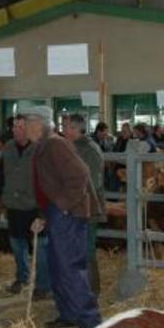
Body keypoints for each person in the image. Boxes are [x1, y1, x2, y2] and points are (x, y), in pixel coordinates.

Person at [22, 106, 101, 328]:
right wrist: (44, 215)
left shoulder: (55, 144)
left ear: (39, 124)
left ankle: (90, 322)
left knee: (70, 268)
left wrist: (64, 206)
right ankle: (69, 313)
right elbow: (50, 186)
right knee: (58, 266)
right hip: (57, 211)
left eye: (26, 123)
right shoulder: (43, 146)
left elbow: (80, 175)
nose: (23, 128)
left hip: (69, 213)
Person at [0, 115, 50, 298]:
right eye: (14, 127)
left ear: (28, 129)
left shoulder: (39, 148)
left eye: (20, 127)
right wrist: (2, 198)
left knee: (41, 246)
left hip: (34, 205)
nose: (15, 130)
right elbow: (1, 174)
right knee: (17, 244)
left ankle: (43, 285)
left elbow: (47, 178)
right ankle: (22, 278)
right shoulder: (8, 147)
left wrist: (44, 210)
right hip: (13, 204)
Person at [63, 114, 105, 295]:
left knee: (86, 251)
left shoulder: (89, 150)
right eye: (64, 127)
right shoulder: (69, 148)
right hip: (73, 207)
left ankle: (91, 293)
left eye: (69, 127)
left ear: (79, 129)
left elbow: (91, 183)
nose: (65, 131)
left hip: (87, 208)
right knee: (75, 251)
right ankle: (78, 291)